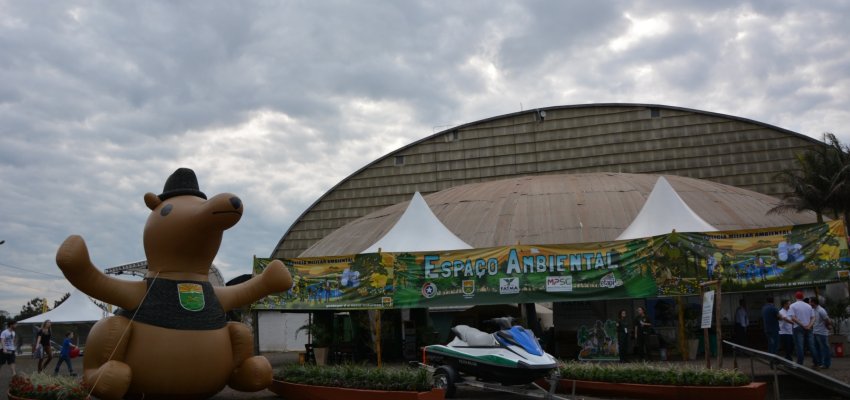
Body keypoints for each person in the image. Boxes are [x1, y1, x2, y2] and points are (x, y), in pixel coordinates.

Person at [788, 291, 817, 367]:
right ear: (803, 297)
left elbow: (793, 318)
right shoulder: (808, 306)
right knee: (811, 345)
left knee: (799, 346)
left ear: (796, 297)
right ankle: (816, 362)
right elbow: (813, 317)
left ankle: (800, 363)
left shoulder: (792, 306)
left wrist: (802, 325)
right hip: (809, 327)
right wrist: (809, 326)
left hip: (798, 327)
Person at [811, 297, 831, 369]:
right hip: (815, 332)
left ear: (814, 302)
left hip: (822, 333)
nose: (810, 303)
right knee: (817, 348)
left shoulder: (821, 310)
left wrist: (827, 326)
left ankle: (826, 364)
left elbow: (827, 320)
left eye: (811, 302)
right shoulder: (814, 310)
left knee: (825, 348)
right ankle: (820, 363)